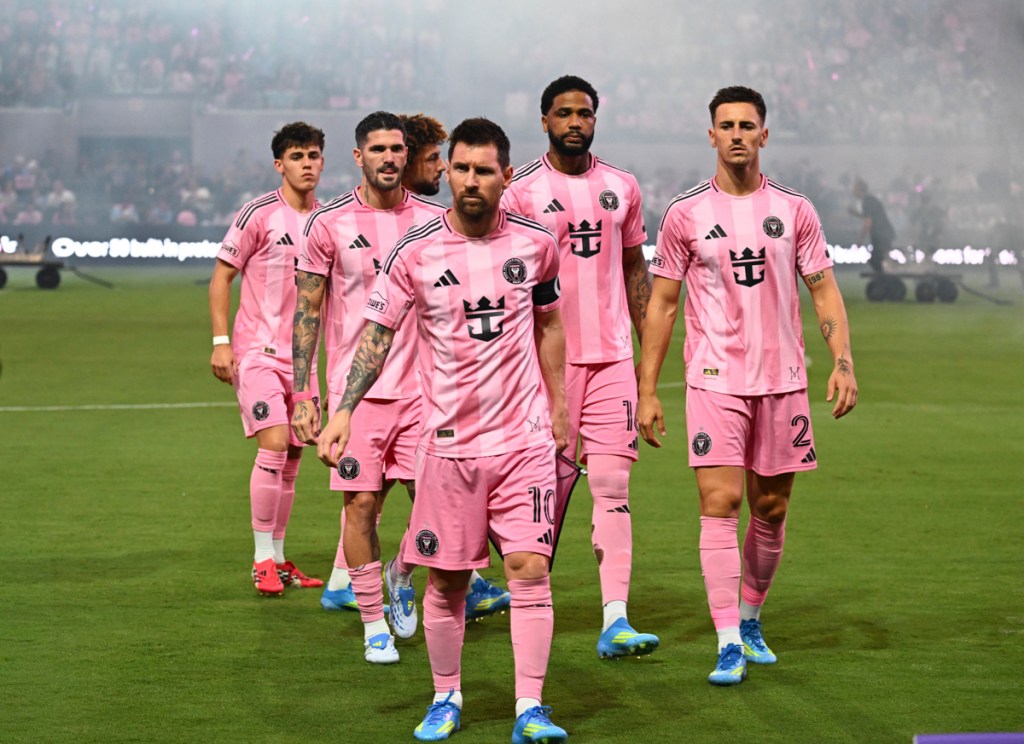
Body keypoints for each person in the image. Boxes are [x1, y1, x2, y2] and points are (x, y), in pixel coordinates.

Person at [317, 117, 570, 743]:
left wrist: (560, 406)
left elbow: (549, 324)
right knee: (449, 581)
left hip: (523, 442)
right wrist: (344, 408)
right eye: (461, 169)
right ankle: (446, 695)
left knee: (529, 569)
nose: (471, 181)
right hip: (448, 448)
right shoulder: (417, 252)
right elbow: (377, 335)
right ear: (447, 172)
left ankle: (530, 706)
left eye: (484, 170)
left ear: (506, 176)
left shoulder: (537, 245)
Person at [637, 86, 858, 686]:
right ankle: (727, 640)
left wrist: (842, 361)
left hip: (783, 380)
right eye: (726, 125)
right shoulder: (685, 213)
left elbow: (823, 289)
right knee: (720, 504)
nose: (736, 134)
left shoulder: (795, 209)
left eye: (747, 125)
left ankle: (751, 617)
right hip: (714, 379)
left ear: (764, 134)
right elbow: (662, 304)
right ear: (711, 135)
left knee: (771, 507)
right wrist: (647, 387)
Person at [501, 74, 659, 659]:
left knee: (613, 487)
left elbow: (635, 269)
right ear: (544, 120)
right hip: (545, 368)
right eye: (564, 113)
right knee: (539, 492)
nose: (575, 122)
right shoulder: (519, 192)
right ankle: (496, 583)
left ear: (596, 118)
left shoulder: (622, 186)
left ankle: (616, 618)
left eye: (584, 113)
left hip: (612, 360)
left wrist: (648, 364)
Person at [291, 111, 446, 664]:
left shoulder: (435, 221)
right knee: (360, 505)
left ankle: (401, 569)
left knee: (438, 507)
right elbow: (308, 310)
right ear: (359, 156)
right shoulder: (328, 223)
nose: (388, 158)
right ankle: (374, 624)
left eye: (397, 149)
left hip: (428, 392)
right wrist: (304, 395)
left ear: (407, 155)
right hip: (356, 397)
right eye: (377, 149)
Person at [394, 112, 513, 623]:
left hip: (465, 395)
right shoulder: (415, 236)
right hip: (405, 388)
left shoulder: (461, 221)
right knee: (372, 499)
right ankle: (388, 577)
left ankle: (440, 575)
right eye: (437, 162)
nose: (445, 173)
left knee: (443, 500)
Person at [208, 121, 327, 596]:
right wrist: (221, 341)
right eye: (297, 157)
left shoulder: (328, 220)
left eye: (313, 155)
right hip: (257, 350)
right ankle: (260, 560)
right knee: (274, 443)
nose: (307, 164)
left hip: (304, 361)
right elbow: (222, 276)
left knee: (294, 455)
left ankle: (278, 558)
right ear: (280, 164)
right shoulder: (259, 213)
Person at [850, 178, 895, 273]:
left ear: (859, 190)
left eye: (854, 189)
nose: (852, 191)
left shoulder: (868, 201)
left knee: (878, 259)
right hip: (881, 234)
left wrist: (860, 239)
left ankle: (888, 277)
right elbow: (869, 216)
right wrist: (856, 213)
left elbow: (868, 221)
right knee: (879, 259)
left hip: (881, 234)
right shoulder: (869, 200)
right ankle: (885, 276)